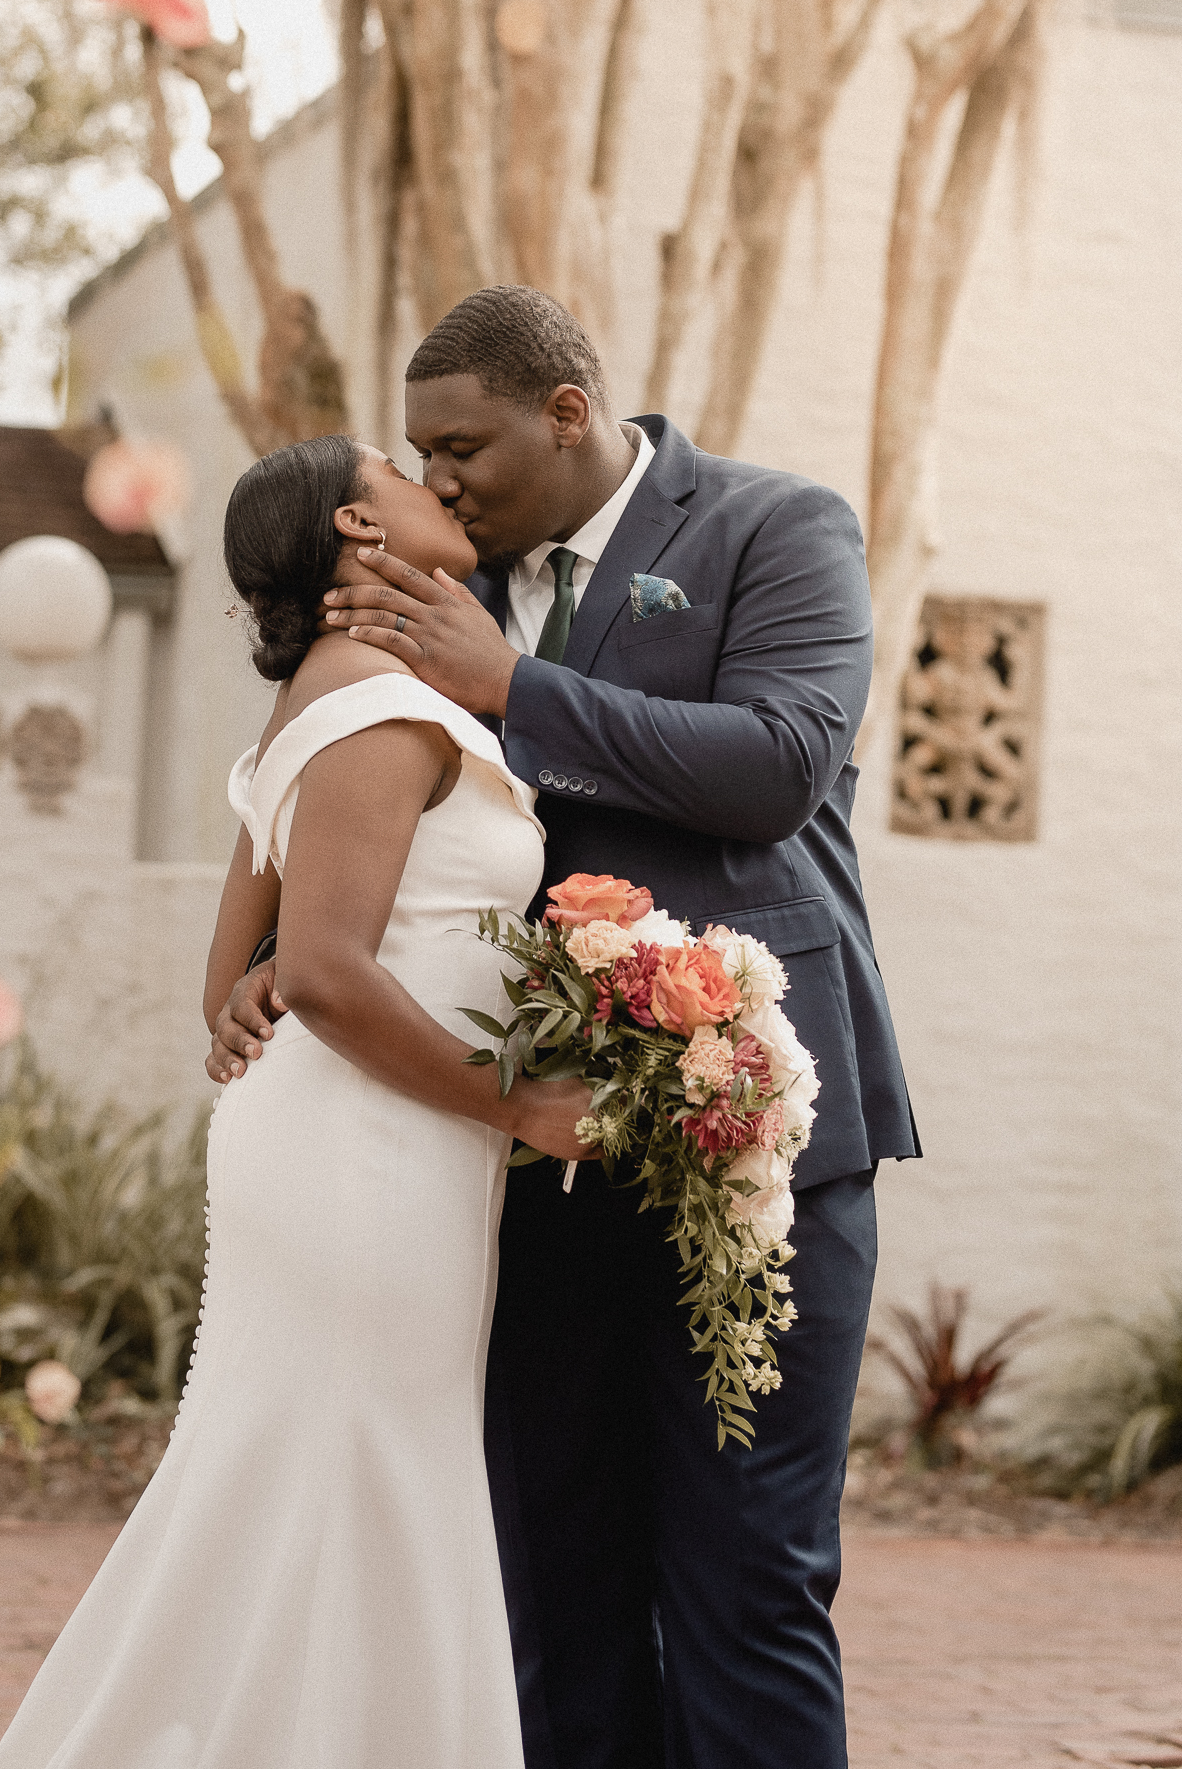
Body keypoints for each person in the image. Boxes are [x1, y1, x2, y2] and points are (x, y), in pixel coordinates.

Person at [210, 285, 919, 1769]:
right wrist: (268, 953)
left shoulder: (773, 527)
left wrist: (514, 683)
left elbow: (782, 765)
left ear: (569, 411)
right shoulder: (434, 576)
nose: (441, 477)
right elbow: (359, 786)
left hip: (754, 1123)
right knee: (555, 1580)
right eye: (420, 454)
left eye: (461, 444)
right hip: (520, 1148)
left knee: (750, 1577)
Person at [0, 430, 594, 1769]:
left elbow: (235, 978)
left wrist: (258, 1007)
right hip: (367, 1158)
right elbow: (313, 969)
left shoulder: (340, 692)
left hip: (362, 1147)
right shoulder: (376, 706)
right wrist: (519, 1105)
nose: (433, 480)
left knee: (326, 1476)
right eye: (398, 468)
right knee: (356, 1471)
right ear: (353, 537)